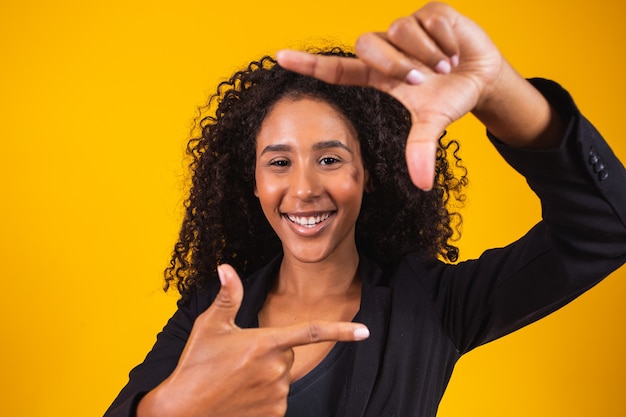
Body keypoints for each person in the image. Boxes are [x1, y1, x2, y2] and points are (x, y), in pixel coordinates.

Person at [104, 3, 626, 417]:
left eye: (330, 158)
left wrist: (496, 91)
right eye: (279, 162)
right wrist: (171, 410)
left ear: (369, 173)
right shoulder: (210, 314)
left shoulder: (433, 305)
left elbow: (605, 228)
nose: (304, 188)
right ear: (255, 184)